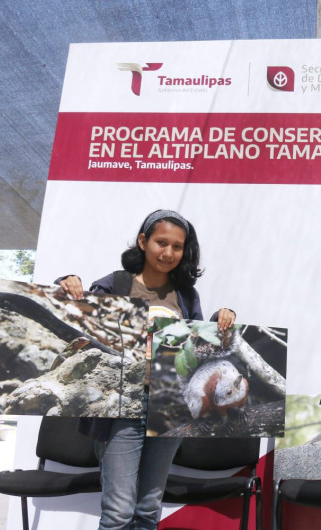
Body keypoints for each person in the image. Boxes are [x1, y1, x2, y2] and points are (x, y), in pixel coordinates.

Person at [58, 209, 235, 530]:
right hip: (120, 408)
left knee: (149, 510)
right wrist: (64, 283)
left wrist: (222, 318)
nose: (168, 253)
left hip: (169, 407)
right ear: (143, 241)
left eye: (177, 247)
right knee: (118, 514)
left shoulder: (185, 295)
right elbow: (79, 317)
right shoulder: (116, 284)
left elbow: (198, 347)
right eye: (161, 242)